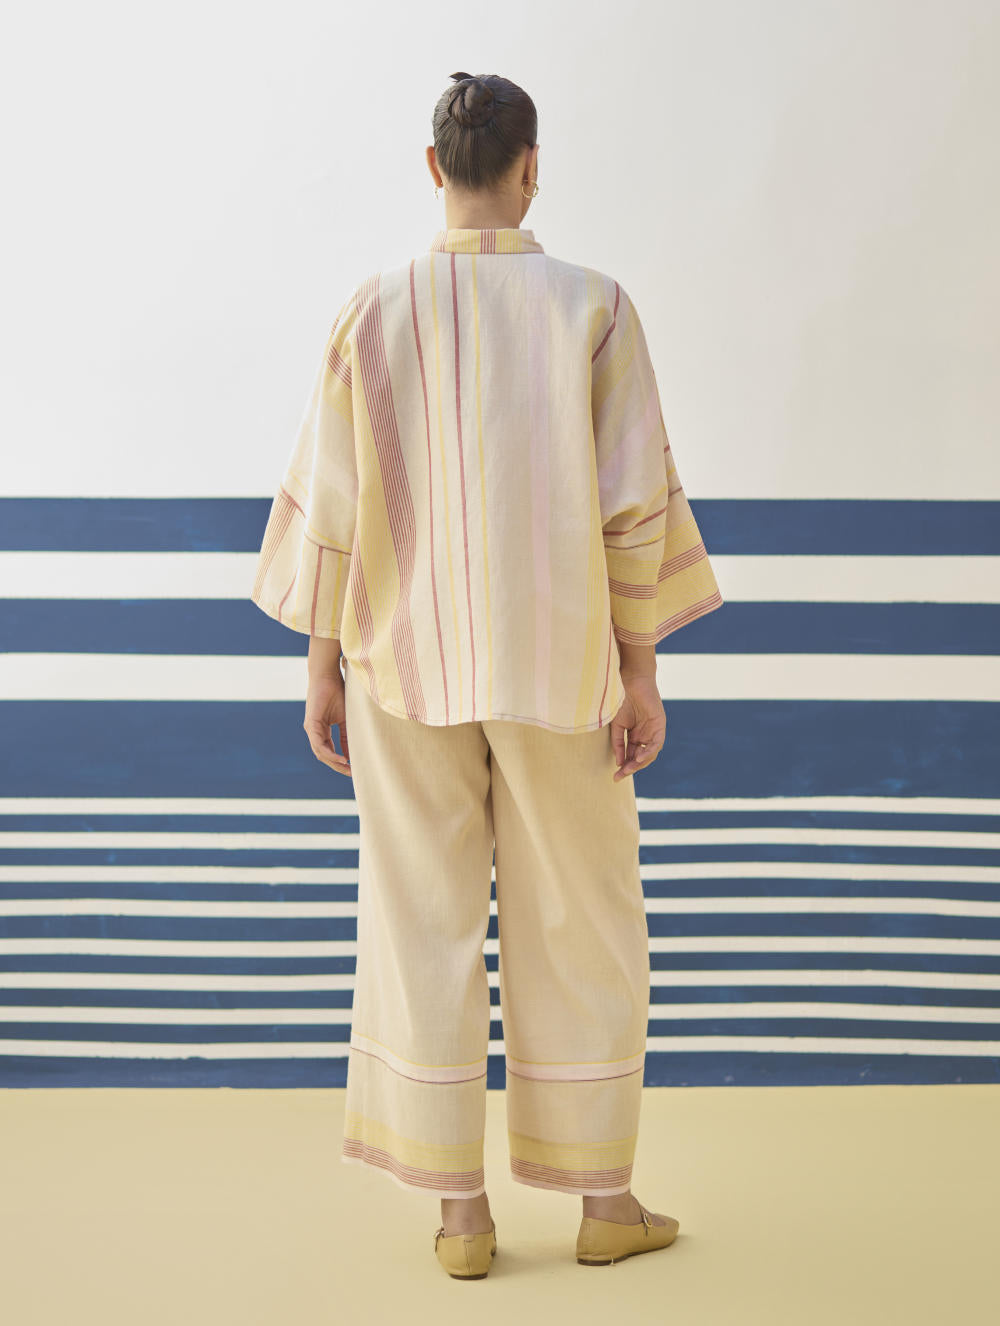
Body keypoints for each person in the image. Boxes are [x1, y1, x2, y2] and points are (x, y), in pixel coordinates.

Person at [250, 70, 724, 1278]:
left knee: (420, 921)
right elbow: (632, 508)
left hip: (399, 663)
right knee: (586, 924)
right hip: (562, 667)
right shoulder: (594, 308)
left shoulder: (372, 311)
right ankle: (604, 1203)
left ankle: (461, 1221)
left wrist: (319, 668)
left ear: (433, 168)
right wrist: (641, 672)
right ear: (530, 167)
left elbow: (334, 511)